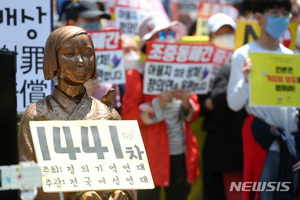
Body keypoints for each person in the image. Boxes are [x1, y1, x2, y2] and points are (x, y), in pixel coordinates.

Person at [18, 26, 136, 200]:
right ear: (53, 59)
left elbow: (129, 171)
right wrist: (72, 195)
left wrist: (122, 193)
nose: (80, 61)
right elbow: (26, 181)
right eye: (69, 54)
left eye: (88, 54)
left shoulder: (108, 114)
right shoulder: (37, 115)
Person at [121, 14, 200, 200]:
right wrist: (157, 105)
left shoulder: (182, 69)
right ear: (149, 43)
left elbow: (194, 112)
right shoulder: (137, 74)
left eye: (170, 33)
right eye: (162, 35)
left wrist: (187, 103)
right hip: (150, 158)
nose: (169, 38)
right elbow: (128, 118)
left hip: (181, 153)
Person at [227, 0, 300, 199]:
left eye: (285, 14)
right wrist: (246, 79)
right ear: (259, 17)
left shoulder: (292, 56)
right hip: (263, 142)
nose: (281, 19)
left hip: (290, 142)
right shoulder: (243, 55)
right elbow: (234, 104)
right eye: (274, 13)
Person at [198, 13, 240, 200]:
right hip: (215, 137)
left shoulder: (244, 60)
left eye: (230, 32)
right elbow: (197, 106)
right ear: (210, 37)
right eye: (220, 33)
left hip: (239, 138)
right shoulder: (200, 65)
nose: (226, 37)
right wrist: (213, 102)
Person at [65, 0, 121, 113]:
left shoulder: (108, 57)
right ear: (72, 24)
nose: (96, 24)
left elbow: (116, 108)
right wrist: (84, 94)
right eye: (89, 20)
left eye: (98, 20)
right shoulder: (59, 58)